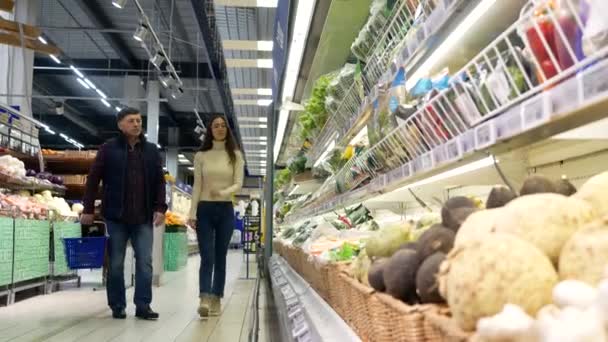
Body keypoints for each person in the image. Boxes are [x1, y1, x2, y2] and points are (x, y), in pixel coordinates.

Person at [82, 107, 167, 320]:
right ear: (120, 125)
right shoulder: (108, 149)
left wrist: (160, 208)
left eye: (139, 120)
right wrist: (88, 209)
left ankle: (143, 305)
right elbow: (93, 179)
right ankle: (118, 305)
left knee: (145, 263)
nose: (137, 124)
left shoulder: (151, 150)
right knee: (117, 263)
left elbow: (159, 181)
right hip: (116, 216)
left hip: (143, 217)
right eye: (131, 121)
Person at [188, 115, 244, 317]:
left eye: (223, 125)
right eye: (215, 125)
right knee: (207, 256)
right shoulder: (201, 156)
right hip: (204, 209)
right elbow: (197, 186)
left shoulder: (235, 155)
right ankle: (204, 296)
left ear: (227, 130)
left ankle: (216, 298)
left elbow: (239, 183)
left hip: (226, 209)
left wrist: (223, 192)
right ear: (210, 130)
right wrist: (192, 212)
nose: (220, 128)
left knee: (221, 256)